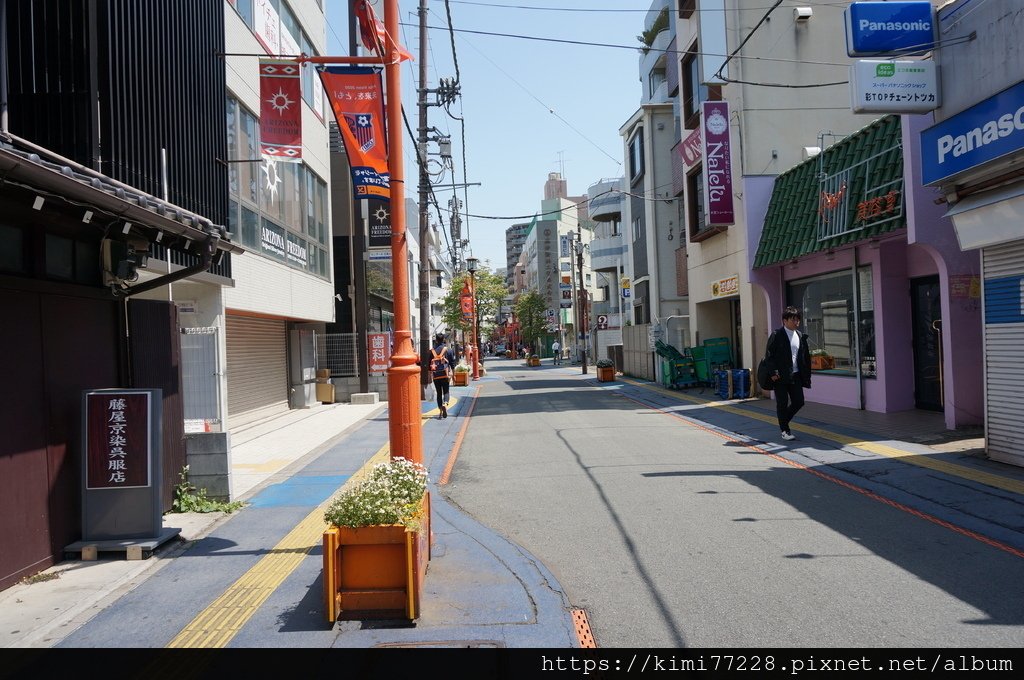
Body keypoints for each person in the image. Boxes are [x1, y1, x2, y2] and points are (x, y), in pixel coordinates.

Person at [764, 306, 812, 441]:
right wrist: (773, 372)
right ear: (784, 321)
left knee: (799, 401)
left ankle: (783, 421)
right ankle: (785, 430)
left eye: (798, 320)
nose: (796, 322)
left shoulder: (800, 336)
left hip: (795, 375)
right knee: (782, 403)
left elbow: (805, 357)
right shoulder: (777, 335)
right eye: (793, 320)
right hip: (780, 376)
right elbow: (769, 355)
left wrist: (807, 374)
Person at [429, 333, 456, 419]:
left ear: (436, 340)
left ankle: (440, 411)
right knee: (446, 391)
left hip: (436, 375)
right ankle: (445, 403)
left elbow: (429, 365)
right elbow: (452, 364)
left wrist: (430, 376)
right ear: (444, 339)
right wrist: (454, 375)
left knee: (439, 393)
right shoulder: (448, 350)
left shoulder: (432, 351)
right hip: (445, 374)